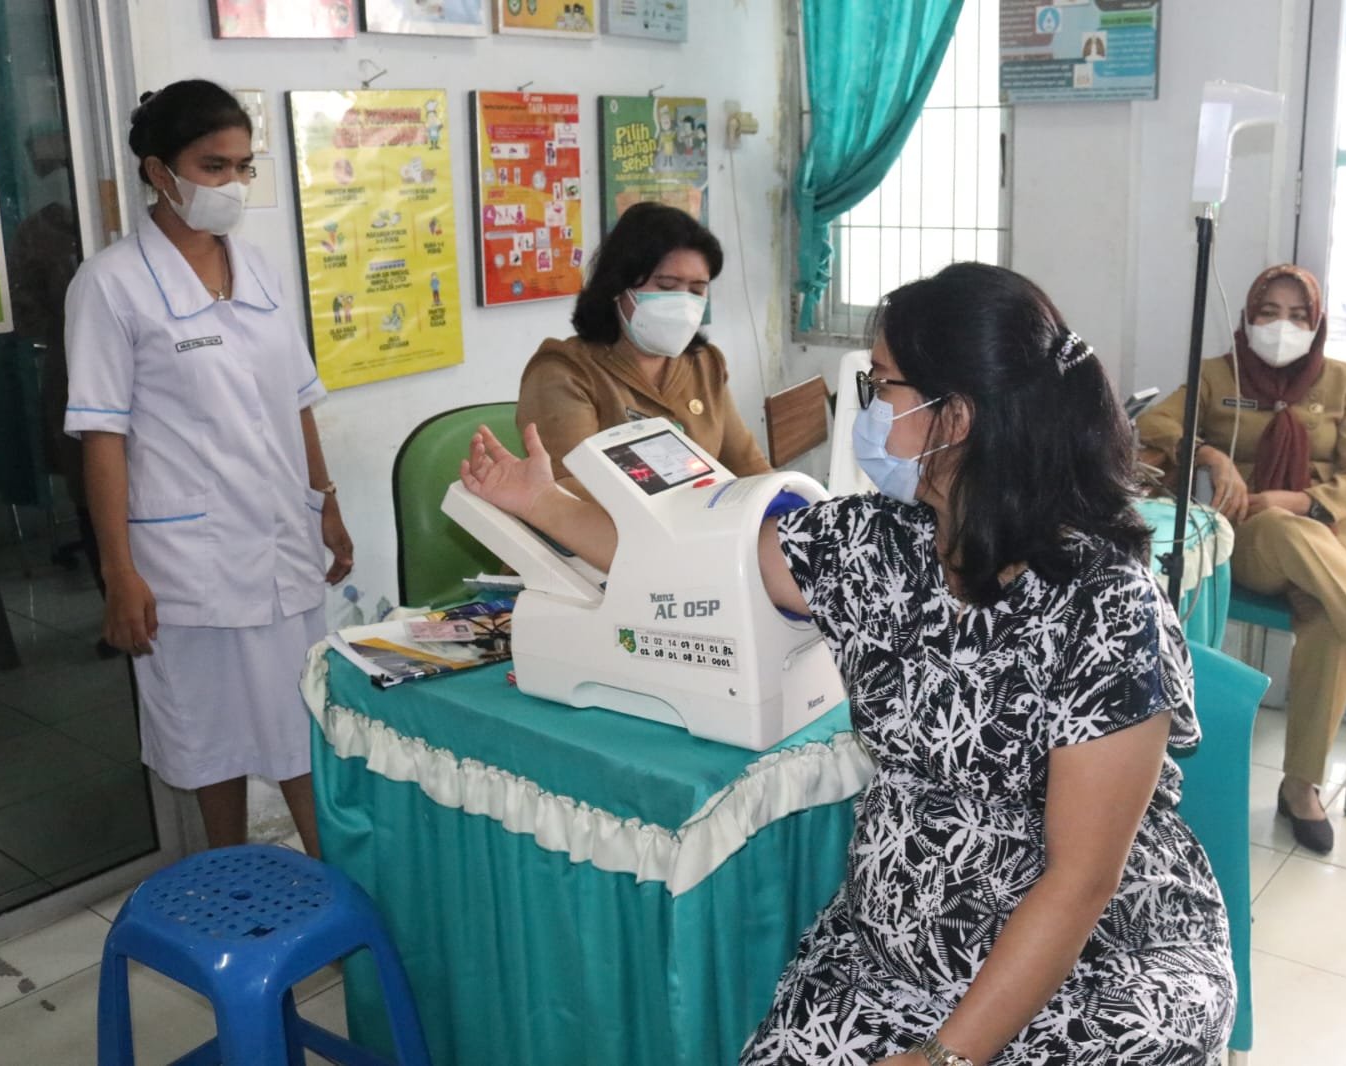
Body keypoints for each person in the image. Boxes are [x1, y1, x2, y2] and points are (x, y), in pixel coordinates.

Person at [466, 263, 1236, 1064]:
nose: (866, 411)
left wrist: (946, 1056)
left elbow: (1078, 881)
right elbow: (689, 566)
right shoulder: (873, 545)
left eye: (882, 385)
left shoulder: (1104, 606)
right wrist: (540, 503)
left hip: (1087, 970)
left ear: (955, 417)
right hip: (890, 963)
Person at [63, 79, 353, 856]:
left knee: (303, 728)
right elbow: (102, 436)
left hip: (282, 536)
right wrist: (118, 572)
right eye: (213, 167)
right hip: (187, 558)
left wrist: (325, 500)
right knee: (207, 735)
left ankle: (331, 890)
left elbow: (297, 398)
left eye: (242, 166)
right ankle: (228, 879)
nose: (232, 184)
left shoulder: (255, 267)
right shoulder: (110, 285)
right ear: (159, 171)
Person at [1137, 264, 1346, 854]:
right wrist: (1212, 455)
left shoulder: (1344, 382)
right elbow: (1156, 424)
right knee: (1282, 530)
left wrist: (1302, 500)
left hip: (1331, 532)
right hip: (1253, 534)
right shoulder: (1217, 375)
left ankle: (1300, 787)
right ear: (1248, 317)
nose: (1281, 326)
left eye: (1297, 315)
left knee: (1337, 624)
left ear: (1316, 324)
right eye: (1269, 313)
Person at [517, 202, 770, 501]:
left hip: (702, 523)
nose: (683, 303)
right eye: (667, 286)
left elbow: (750, 468)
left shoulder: (705, 364)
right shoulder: (564, 372)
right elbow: (572, 494)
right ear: (618, 286)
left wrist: (793, 508)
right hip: (610, 528)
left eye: (696, 290)